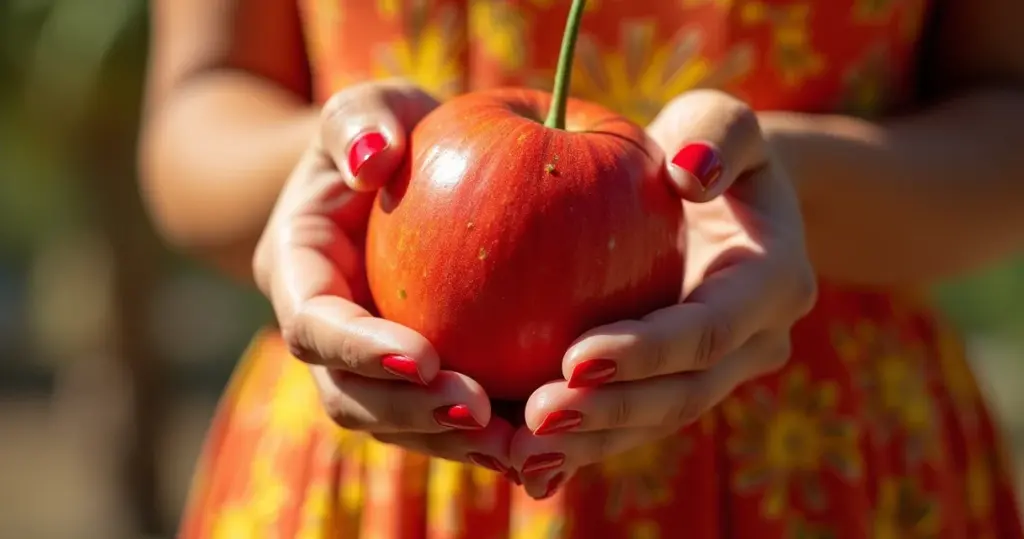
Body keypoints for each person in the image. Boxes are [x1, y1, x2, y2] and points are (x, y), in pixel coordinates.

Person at [140, 0, 1024, 537]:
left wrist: (790, 184)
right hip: (376, 408)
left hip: (813, 458)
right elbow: (194, 117)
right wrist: (337, 167)